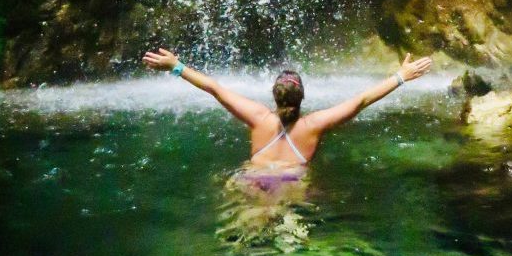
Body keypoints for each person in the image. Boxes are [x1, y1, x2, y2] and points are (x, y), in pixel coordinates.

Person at [142, 47, 433, 168]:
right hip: (293, 183)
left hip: (252, 179)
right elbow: (361, 101)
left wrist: (175, 66)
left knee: (244, 228)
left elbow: (214, 89)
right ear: (302, 97)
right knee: (291, 234)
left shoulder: (258, 118)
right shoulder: (313, 125)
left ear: (274, 95)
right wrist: (401, 77)